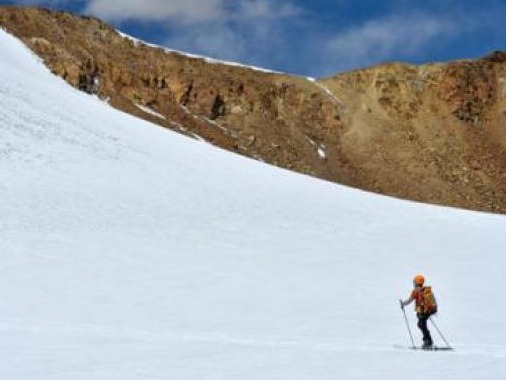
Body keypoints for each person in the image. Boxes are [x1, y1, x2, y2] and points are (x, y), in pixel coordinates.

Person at [400, 274, 436, 349]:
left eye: (415, 283)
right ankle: (428, 340)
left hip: (426, 311)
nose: (415, 285)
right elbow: (410, 300)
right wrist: (404, 303)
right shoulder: (417, 292)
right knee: (421, 324)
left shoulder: (423, 292)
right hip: (424, 311)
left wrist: (404, 304)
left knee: (421, 324)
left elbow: (410, 300)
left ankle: (428, 341)